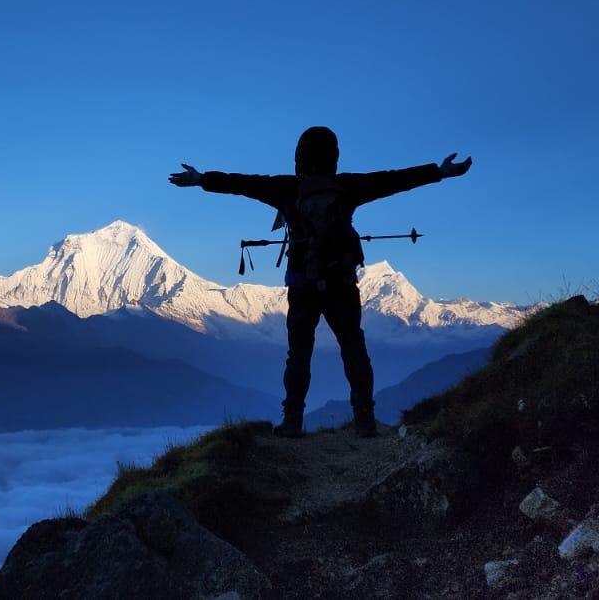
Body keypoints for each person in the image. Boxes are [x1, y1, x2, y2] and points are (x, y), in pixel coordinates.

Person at [169, 126, 472, 438]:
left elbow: (242, 184)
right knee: (353, 347)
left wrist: (201, 179)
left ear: (299, 157)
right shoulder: (348, 186)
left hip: (302, 284)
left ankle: (292, 420)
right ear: (334, 157)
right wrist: (440, 171)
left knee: (298, 353)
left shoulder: (285, 188)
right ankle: (364, 418)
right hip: (341, 282)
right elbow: (393, 180)